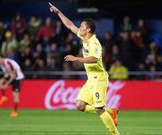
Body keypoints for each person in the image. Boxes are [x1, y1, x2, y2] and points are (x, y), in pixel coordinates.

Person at [49, 3, 120, 135]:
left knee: (99, 109)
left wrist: (76, 59)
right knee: (80, 106)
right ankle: (111, 111)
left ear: (88, 30)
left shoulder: (94, 43)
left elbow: (94, 59)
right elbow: (70, 25)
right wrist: (58, 12)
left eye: (82, 26)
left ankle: (115, 134)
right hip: (91, 80)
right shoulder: (84, 37)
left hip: (99, 78)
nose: (79, 27)